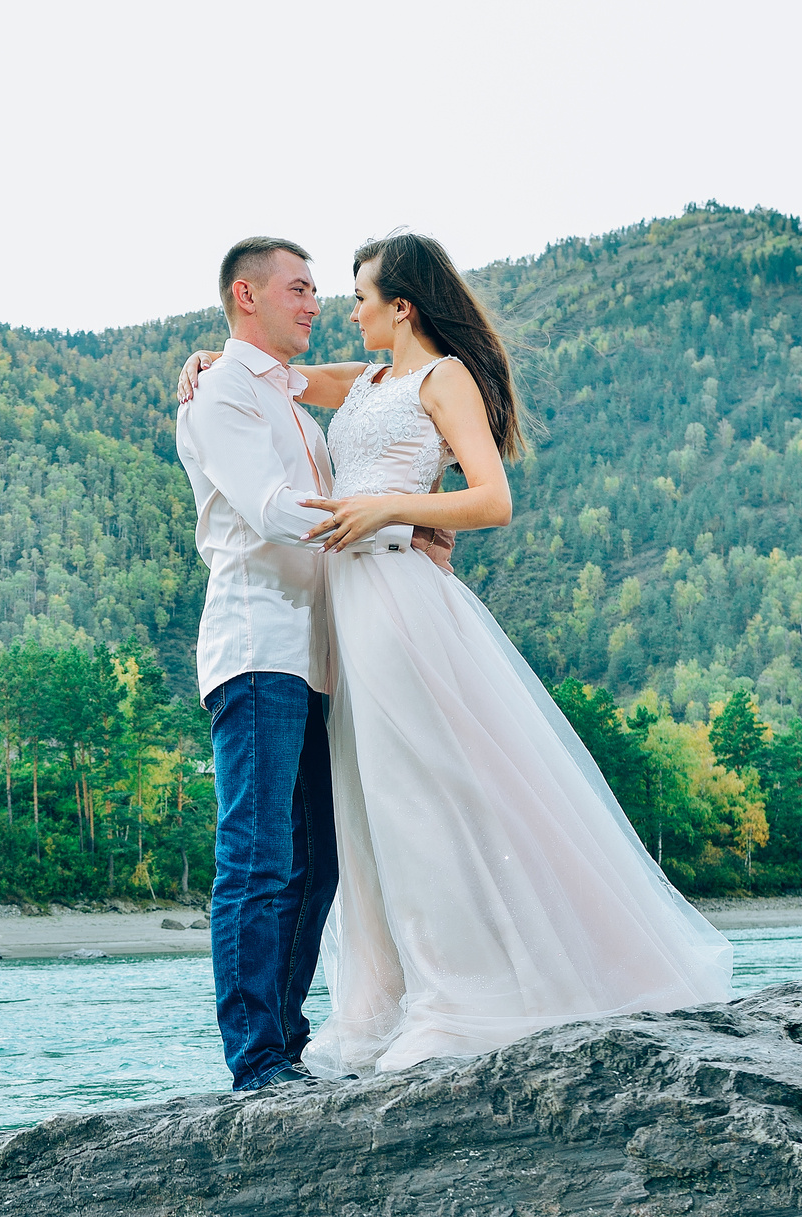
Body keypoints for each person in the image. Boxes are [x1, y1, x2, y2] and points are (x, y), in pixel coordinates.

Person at [179, 233, 731, 1076]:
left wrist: (393, 513)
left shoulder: (441, 379)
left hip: (387, 607)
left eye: (355, 294)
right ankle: (341, 1022)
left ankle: (455, 989)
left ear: (401, 306)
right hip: (330, 623)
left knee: (416, 799)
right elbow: (266, 384)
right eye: (313, 290)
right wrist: (211, 359)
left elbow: (492, 496)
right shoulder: (359, 382)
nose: (338, 307)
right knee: (356, 823)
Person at [176, 237, 451, 1090]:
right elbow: (267, 508)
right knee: (256, 856)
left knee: (318, 858)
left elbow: (338, 387)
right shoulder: (222, 392)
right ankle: (255, 1060)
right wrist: (401, 525)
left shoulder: (282, 396)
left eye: (320, 290)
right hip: (257, 645)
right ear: (245, 295)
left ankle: (285, 1041)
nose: (314, 303)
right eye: (298, 289)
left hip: (320, 656)